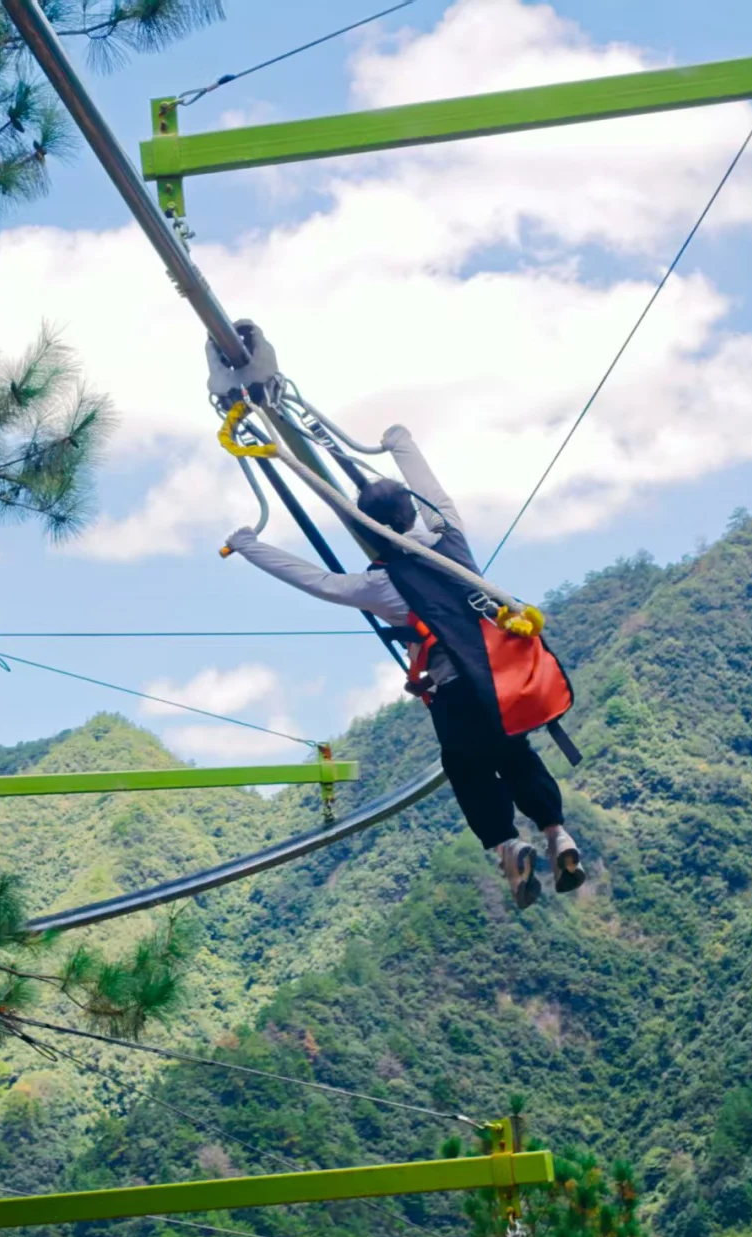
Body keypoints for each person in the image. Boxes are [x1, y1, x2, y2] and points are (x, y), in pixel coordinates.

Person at [210, 324, 584, 909]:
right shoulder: (451, 538)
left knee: (466, 768)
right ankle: (558, 834)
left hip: (459, 693)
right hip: (502, 687)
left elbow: (318, 581)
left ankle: (510, 849)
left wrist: (249, 544)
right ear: (413, 513)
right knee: (516, 754)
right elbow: (426, 483)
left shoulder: (385, 584)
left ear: (368, 527)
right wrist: (397, 439)